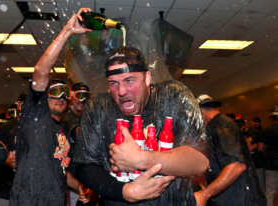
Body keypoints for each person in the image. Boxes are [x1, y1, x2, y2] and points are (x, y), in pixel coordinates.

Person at [73, 13, 210, 205]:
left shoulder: (174, 95)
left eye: (129, 81)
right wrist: (125, 191)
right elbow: (84, 166)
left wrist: (141, 159)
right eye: (113, 83)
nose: (121, 91)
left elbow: (200, 162)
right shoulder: (98, 106)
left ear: (147, 78)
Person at [9, 8, 93, 206]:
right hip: (29, 200)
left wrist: (79, 186)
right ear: (44, 95)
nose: (61, 97)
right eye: (55, 92)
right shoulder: (35, 115)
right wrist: (67, 31)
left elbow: (60, 170)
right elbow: (40, 70)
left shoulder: (61, 131)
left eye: (65, 93)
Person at [195, 94, 266, 206]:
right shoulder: (223, 123)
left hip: (239, 199)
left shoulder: (218, 125)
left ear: (198, 111)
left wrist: (205, 194)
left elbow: (236, 166)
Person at [60, 82, 93, 206]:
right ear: (71, 97)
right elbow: (79, 133)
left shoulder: (85, 116)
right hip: (69, 178)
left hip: (80, 177)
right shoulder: (66, 116)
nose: (83, 100)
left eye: (86, 96)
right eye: (79, 96)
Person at [236, 118, 266, 192]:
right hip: (249, 163)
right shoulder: (238, 134)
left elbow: (259, 147)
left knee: (259, 184)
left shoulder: (253, 133)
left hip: (255, 162)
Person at [259, 107, 278, 206]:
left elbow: (260, 148)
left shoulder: (266, 131)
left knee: (270, 193)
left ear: (271, 117)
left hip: (272, 165)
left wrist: (267, 148)